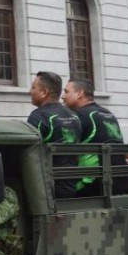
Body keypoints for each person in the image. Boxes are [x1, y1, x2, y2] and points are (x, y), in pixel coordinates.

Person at [61, 77, 124, 196]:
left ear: (80, 93)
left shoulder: (78, 116)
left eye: (66, 91)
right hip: (119, 181)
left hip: (94, 183)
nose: (63, 96)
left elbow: (65, 149)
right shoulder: (108, 113)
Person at [27, 71, 82, 199]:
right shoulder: (74, 115)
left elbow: (29, 153)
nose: (30, 91)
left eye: (33, 87)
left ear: (44, 92)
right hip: (71, 185)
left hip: (48, 189)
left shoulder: (39, 116)